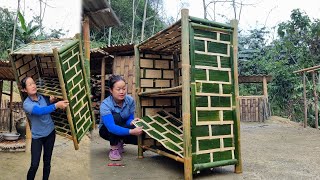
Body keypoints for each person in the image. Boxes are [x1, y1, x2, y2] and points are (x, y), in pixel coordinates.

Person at [21, 76, 69, 180]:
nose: (33, 85)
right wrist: (56, 105)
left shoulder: (42, 97)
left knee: (47, 162)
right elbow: (40, 111)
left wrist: (52, 101)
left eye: (33, 83)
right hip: (37, 137)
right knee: (34, 165)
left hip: (50, 133)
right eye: (29, 84)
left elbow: (47, 106)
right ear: (24, 89)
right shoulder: (26, 104)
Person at [99, 75, 143, 161]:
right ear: (111, 90)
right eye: (118, 89)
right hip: (106, 130)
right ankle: (114, 148)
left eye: (124, 88)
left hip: (122, 125)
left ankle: (120, 140)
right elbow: (111, 127)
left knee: (140, 130)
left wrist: (132, 122)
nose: (122, 92)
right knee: (116, 117)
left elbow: (129, 119)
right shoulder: (105, 105)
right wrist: (131, 131)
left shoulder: (130, 100)